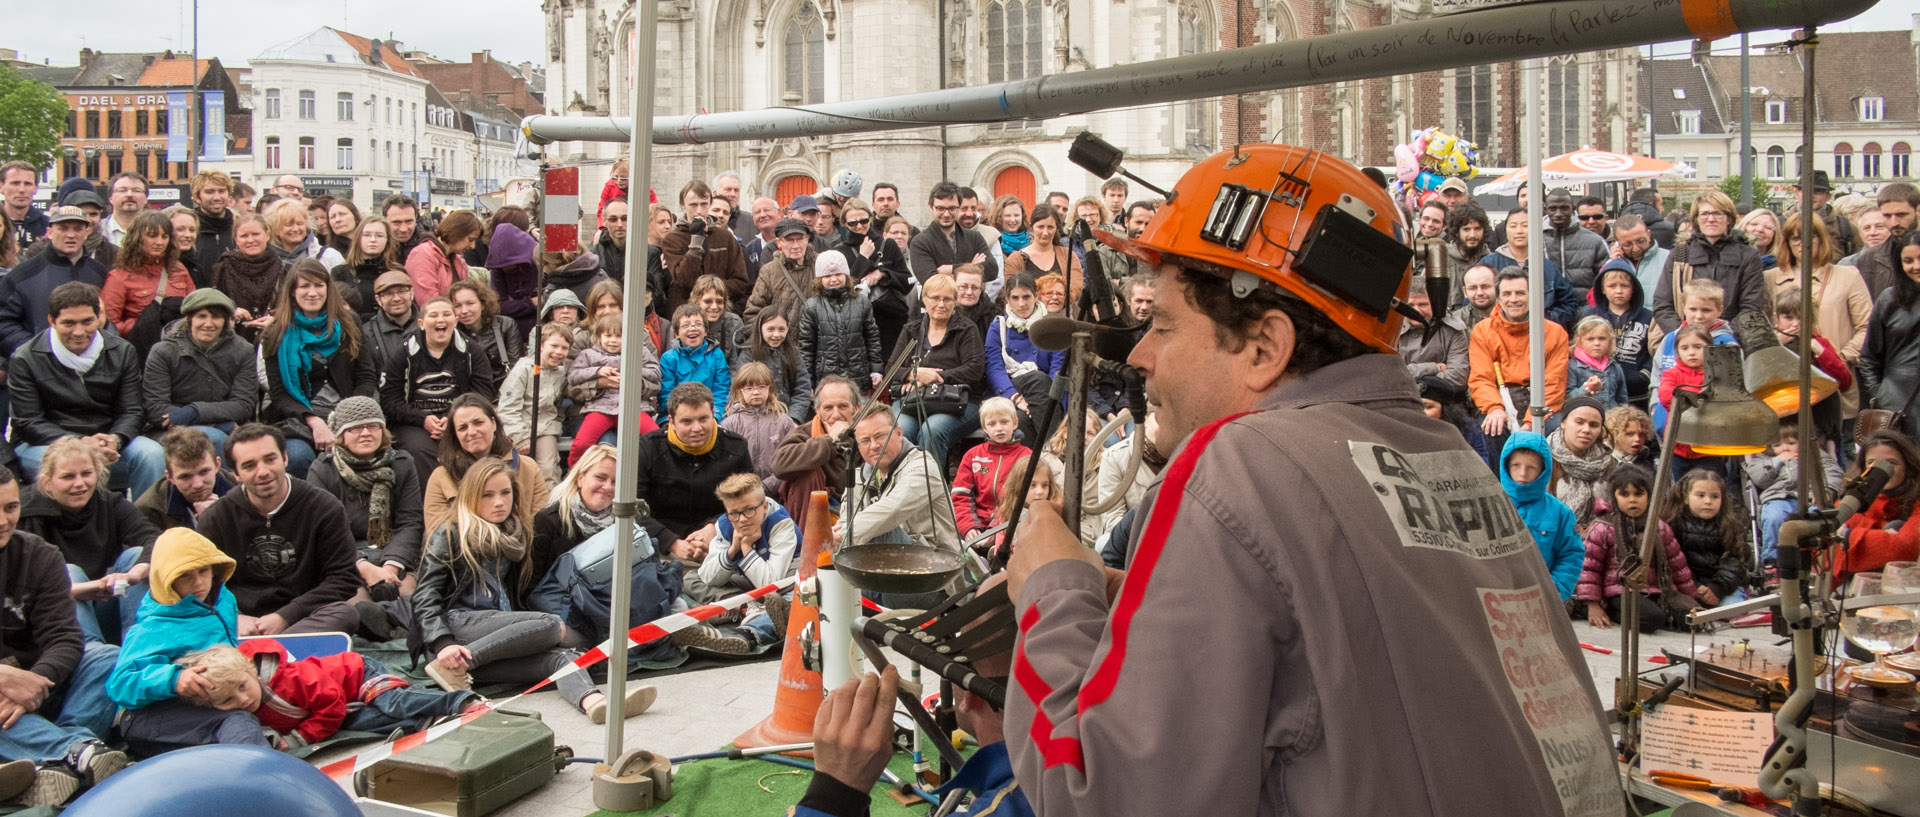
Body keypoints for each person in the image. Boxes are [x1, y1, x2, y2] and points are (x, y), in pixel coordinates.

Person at [1002, 144, 1621, 817]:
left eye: (1165, 324)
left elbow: (1106, 797)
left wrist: (1050, 591)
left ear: (1266, 347)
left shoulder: (1234, 467)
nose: (1143, 353)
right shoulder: (1452, 458)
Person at [411, 457, 658, 723]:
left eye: (505, 493)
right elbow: (425, 596)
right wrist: (442, 644)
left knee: (562, 657)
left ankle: (596, 703)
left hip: (493, 639)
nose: (499, 502)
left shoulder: (518, 533)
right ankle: (457, 666)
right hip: (455, 629)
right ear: (471, 497)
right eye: (487, 495)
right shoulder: (451, 533)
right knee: (550, 625)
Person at [0, 466, 128, 807]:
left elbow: (65, 639)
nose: (2, 520)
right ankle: (73, 752)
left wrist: (36, 682)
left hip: (41, 691)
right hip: (4, 703)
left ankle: (59, 760)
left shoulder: (39, 555)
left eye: (10, 508)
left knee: (108, 658)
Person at [109, 527, 274, 756]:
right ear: (166, 581)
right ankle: (255, 779)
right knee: (237, 720)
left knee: (275, 692)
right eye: (185, 575)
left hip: (210, 701)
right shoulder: (152, 627)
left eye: (203, 571)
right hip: (148, 716)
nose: (198, 583)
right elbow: (119, 685)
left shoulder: (223, 600)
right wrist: (173, 679)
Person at [196, 424, 361, 636]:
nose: (263, 471)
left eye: (270, 459)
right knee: (197, 619)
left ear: (285, 458)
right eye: (249, 465)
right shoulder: (216, 517)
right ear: (235, 474)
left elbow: (344, 578)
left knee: (345, 613)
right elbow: (202, 584)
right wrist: (232, 616)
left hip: (303, 616)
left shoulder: (324, 507)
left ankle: (269, 648)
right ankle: (277, 649)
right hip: (242, 621)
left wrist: (287, 616)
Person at [176, 641, 479, 750]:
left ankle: (460, 701)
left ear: (250, 672)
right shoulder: (243, 712)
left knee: (391, 700)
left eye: (242, 687)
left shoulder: (290, 680)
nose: (242, 700)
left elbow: (331, 702)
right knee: (361, 724)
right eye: (228, 700)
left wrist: (300, 738)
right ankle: (426, 719)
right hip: (337, 706)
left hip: (358, 675)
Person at [9, 282, 146, 491]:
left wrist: (115, 439)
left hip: (106, 439)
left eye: (87, 321)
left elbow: (132, 410)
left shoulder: (122, 350)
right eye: (68, 323)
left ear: (99, 317)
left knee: (151, 454)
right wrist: (80, 443)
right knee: (71, 466)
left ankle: (149, 521)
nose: (79, 332)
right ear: (51, 321)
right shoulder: (25, 358)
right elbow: (28, 422)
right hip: (45, 445)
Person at [19, 438, 157, 644]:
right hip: (56, 613)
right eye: (68, 477)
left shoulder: (109, 502)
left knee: (137, 555)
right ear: (47, 482)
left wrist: (135, 573)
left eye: (86, 473)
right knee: (67, 570)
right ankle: (90, 655)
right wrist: (74, 589)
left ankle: (139, 645)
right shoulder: (26, 512)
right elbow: (25, 583)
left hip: (102, 599)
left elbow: (154, 538)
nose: (80, 483)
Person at [260, 260, 378, 478]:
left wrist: (347, 416)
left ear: (328, 288)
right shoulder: (275, 333)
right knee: (297, 456)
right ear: (293, 292)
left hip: (349, 413)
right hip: (298, 420)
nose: (312, 293)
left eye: (318, 285)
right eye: (304, 286)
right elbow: (279, 395)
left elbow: (366, 376)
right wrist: (314, 422)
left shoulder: (349, 322)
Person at [306, 397, 426, 604]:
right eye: (355, 428)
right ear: (342, 433)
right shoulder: (323, 470)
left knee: (408, 597)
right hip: (346, 557)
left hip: (393, 552)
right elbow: (324, 533)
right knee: (357, 604)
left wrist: (391, 566)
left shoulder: (402, 464)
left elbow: (410, 522)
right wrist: (363, 567)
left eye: (373, 426)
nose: (366, 433)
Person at [1768, 215, 1873, 447]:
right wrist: (1780, 340)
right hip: (1785, 389)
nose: (1802, 243)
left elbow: (1867, 327)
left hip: (1833, 384)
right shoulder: (1770, 279)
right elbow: (1760, 332)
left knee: (1836, 451)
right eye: (1795, 238)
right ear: (1786, 242)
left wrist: (1841, 357)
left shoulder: (1847, 275)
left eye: (1810, 236)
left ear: (1821, 238)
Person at [838, 408, 961, 600]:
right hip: (883, 577)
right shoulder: (858, 476)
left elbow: (892, 510)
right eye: (865, 440)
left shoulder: (923, 467)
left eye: (880, 436)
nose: (874, 446)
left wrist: (838, 538)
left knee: (880, 530)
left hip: (936, 580)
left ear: (899, 433)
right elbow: (845, 521)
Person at [630, 383, 755, 556]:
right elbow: (632, 509)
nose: (696, 428)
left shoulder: (736, 448)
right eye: (687, 421)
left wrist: (718, 527)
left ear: (713, 415)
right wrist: (672, 543)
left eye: (703, 419)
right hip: (658, 543)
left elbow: (750, 501)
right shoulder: (648, 448)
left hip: (722, 539)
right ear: (671, 422)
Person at [380, 297, 495, 469]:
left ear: (455, 321)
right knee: (418, 450)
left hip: (461, 418)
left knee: (473, 445)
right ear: (421, 323)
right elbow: (389, 400)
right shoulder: (403, 353)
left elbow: (483, 394)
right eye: (433, 315)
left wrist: (453, 419)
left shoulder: (472, 351)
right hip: (415, 421)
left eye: (447, 314)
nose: (440, 320)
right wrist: (423, 419)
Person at [1576, 466, 1694, 632]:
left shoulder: (1659, 527)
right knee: (1653, 619)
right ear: (1613, 497)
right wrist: (1592, 604)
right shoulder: (1603, 527)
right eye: (1624, 494)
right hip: (1619, 591)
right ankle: (1611, 611)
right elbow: (1589, 569)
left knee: (1692, 620)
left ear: (1648, 497)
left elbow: (1678, 565)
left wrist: (1691, 598)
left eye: (1638, 494)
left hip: (1657, 590)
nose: (1632, 500)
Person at [421, 395, 550, 542]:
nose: (472, 432)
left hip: (521, 555)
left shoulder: (528, 467)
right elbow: (438, 538)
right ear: (455, 435)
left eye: (478, 423)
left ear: (493, 423)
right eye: (462, 428)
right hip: (464, 559)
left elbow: (540, 528)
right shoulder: (441, 476)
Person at [1468, 268, 1569, 451]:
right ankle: (1499, 480)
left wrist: (1531, 423)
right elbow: (1481, 378)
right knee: (1493, 429)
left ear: (1533, 295)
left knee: (1556, 431)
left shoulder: (1555, 333)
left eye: (1520, 293)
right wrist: (1495, 408)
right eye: (1507, 293)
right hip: (1502, 400)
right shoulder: (1483, 331)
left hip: (1541, 404)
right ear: (1498, 298)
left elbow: (1554, 382)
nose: (1513, 299)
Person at [893, 273, 985, 470]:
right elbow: (892, 368)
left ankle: (933, 493)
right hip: (915, 399)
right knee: (900, 430)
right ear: (924, 299)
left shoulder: (966, 329)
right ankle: (902, 488)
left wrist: (936, 377)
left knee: (931, 431)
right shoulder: (912, 330)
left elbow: (975, 369)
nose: (941, 304)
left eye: (947, 299)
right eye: (935, 298)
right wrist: (914, 374)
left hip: (961, 402)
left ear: (955, 301)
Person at [0, 208, 111, 363]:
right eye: (63, 228)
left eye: (78, 229)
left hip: (92, 368)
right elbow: (4, 321)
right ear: (49, 232)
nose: (71, 235)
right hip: (39, 368)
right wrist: (34, 349)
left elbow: (110, 320)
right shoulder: (22, 275)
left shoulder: (100, 273)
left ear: (86, 233)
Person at [1651, 191, 1769, 333]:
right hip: (1686, 343)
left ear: (1729, 219)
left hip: (1730, 341)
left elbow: (1751, 307)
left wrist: (1722, 335)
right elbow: (1662, 303)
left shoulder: (1748, 255)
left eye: (1717, 213)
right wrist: (1687, 335)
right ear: (1696, 219)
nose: (1711, 219)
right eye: (1705, 214)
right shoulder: (1681, 253)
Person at [1745, 420, 1841, 568]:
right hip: (1778, 498)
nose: (1784, 449)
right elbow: (1758, 479)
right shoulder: (1764, 459)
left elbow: (1832, 472)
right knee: (1773, 517)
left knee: (1817, 518)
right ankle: (1772, 561)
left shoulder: (1814, 454)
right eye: (1777, 445)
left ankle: (1815, 559)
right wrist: (1777, 461)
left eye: (1790, 443)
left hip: (1809, 498)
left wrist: (1826, 490)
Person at [694, 472, 799, 606]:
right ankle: (741, 604)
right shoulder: (724, 524)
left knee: (798, 578)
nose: (742, 519)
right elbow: (708, 577)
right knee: (692, 578)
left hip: (783, 580)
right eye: (734, 513)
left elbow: (770, 584)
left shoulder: (780, 522)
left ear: (765, 506)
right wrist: (733, 550)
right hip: (747, 579)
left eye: (749, 510)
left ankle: (742, 606)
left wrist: (746, 547)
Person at [772, 376, 860, 534]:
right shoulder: (805, 432)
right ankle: (809, 549)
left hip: (858, 512)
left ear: (856, 408)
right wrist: (830, 441)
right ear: (818, 411)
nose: (836, 414)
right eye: (828, 408)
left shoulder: (866, 433)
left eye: (843, 406)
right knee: (808, 474)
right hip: (813, 518)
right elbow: (779, 465)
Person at [986, 273, 1066, 445]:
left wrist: (1042, 399)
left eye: (1026, 297)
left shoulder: (1053, 326)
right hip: (1012, 389)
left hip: (1046, 393)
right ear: (1007, 299)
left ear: (1035, 296)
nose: (1021, 304)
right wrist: (1015, 397)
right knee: (1036, 379)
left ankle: (1033, 466)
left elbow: (1058, 367)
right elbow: (994, 368)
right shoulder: (998, 327)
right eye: (1015, 298)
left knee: (1022, 420)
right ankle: (1053, 452)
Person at [569, 314, 660, 466]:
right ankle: (574, 473)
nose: (613, 340)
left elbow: (656, 373)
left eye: (619, 336)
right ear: (599, 336)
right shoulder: (589, 354)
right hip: (600, 408)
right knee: (582, 443)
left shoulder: (639, 351)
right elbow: (573, 375)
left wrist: (632, 370)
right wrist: (597, 371)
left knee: (656, 438)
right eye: (608, 335)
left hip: (633, 408)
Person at [1650, 282, 1738, 434]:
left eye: (1706, 310)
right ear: (1683, 307)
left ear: (1719, 310)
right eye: (1693, 309)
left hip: (1708, 428)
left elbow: (1732, 388)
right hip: (1668, 425)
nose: (1698, 316)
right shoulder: (1671, 339)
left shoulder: (1725, 343)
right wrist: (1655, 408)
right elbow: (1657, 377)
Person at [1832, 431, 1920, 579]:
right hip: (1852, 582)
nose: (1881, 470)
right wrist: (1884, 537)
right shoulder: (1853, 496)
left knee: (1896, 524)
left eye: (1891, 463)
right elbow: (1830, 547)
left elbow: (1904, 548)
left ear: (1907, 465)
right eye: (1871, 463)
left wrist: (1847, 535)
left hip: (1904, 584)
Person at [1860, 233, 1920, 441]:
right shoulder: (1890, 299)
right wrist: (1879, 395)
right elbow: (1869, 355)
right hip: (1897, 400)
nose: (1916, 266)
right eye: (1908, 261)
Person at [659, 182, 750, 316]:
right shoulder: (672, 239)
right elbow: (684, 279)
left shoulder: (725, 237)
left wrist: (712, 292)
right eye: (693, 205)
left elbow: (740, 282)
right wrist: (696, 241)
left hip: (718, 313)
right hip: (684, 315)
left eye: (704, 204)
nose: (699, 210)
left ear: (710, 204)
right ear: (682, 205)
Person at [799, 250, 883, 395]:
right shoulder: (812, 306)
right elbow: (806, 347)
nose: (833, 279)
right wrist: (808, 382)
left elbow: (872, 338)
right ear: (819, 279)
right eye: (827, 276)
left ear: (846, 275)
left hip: (858, 377)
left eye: (838, 274)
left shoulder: (861, 302)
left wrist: (876, 370)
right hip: (826, 379)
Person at [102, 211, 195, 338]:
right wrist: (144, 325)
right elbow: (109, 325)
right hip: (141, 349)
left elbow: (195, 308)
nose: (159, 242)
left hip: (178, 345)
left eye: (164, 236)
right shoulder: (119, 276)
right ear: (137, 238)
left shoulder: (178, 269)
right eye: (152, 236)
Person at [499, 324, 573, 484]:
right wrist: (518, 437)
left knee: (548, 469)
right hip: (518, 428)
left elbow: (558, 405)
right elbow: (508, 408)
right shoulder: (523, 370)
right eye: (554, 346)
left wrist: (556, 423)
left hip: (546, 428)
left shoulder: (561, 373)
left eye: (564, 348)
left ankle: (549, 506)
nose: (558, 352)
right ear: (541, 345)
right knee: (516, 472)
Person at [1664, 469, 1749, 607]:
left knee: (1731, 611)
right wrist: (1695, 587)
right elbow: (1675, 563)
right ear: (1686, 497)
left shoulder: (1730, 523)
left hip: (1724, 584)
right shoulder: (1674, 523)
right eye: (1701, 495)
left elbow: (1736, 562)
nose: (1708, 501)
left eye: (1715, 497)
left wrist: (1717, 588)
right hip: (1688, 584)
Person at [1484, 209, 1580, 328]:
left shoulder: (1547, 266)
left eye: (1525, 226)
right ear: (1505, 231)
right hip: (1497, 334)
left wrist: (1544, 320)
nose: (1519, 231)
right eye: (1513, 226)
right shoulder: (1488, 264)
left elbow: (1568, 303)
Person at [951, 397, 1031, 537]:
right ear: (984, 428)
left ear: (1015, 423)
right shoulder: (973, 455)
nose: (999, 428)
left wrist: (995, 530)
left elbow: (1020, 500)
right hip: (976, 524)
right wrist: (968, 526)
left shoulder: (1026, 456)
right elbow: (961, 495)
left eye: (1004, 422)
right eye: (992, 424)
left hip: (1009, 524)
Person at [1581, 258, 1653, 407]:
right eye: (1612, 286)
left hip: (1637, 394)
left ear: (1633, 288)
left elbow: (1653, 351)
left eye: (1624, 286)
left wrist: (1644, 374)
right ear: (1602, 288)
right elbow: (1579, 349)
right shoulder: (1590, 316)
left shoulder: (1648, 317)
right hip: (1599, 391)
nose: (1618, 291)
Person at [133, 427, 234, 533]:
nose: (197, 484)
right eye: (185, 477)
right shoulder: (149, 509)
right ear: (170, 477)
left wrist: (222, 519)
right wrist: (205, 525)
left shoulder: (242, 490)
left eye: (204, 472)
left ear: (217, 465)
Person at [208, 213, 286, 343]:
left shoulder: (284, 268)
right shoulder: (223, 268)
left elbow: (292, 308)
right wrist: (231, 311)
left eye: (255, 234)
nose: (250, 240)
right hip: (233, 342)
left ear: (267, 235)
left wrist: (276, 319)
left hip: (273, 341)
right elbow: (212, 306)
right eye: (244, 236)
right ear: (236, 240)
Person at [722, 362, 798, 495]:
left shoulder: (784, 422)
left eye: (761, 387)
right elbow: (724, 465)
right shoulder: (729, 424)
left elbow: (791, 462)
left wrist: (766, 487)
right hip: (741, 493)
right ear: (740, 391)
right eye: (749, 388)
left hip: (778, 492)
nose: (756, 392)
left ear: (770, 389)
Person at [909, 182, 998, 286]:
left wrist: (952, 269)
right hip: (940, 302)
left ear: (959, 207)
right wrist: (972, 267)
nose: (946, 214)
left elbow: (992, 270)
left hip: (974, 301)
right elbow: (932, 282)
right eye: (941, 208)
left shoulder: (974, 237)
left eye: (951, 208)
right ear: (931, 208)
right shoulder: (920, 242)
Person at [1546, 396, 1614, 529]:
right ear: (1563, 422)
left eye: (1594, 425)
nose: (1586, 430)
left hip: (1600, 539)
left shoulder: (1608, 462)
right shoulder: (1544, 457)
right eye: (1579, 422)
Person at [660, 304, 732, 422]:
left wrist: (716, 416)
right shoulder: (669, 358)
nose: (693, 328)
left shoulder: (717, 355)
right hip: (677, 416)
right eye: (686, 325)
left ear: (706, 331)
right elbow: (666, 394)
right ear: (676, 333)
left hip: (710, 414)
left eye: (698, 324)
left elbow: (722, 390)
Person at [744, 217, 817, 330]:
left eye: (800, 239)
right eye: (790, 240)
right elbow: (753, 312)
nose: (796, 246)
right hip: (782, 343)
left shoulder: (821, 264)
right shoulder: (769, 271)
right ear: (779, 242)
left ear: (807, 239)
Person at [1395, 284, 1468, 395]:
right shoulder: (1392, 329)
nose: (1417, 311)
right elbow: (1389, 375)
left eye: (1423, 304)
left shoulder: (1453, 329)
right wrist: (1434, 367)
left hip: (1442, 400)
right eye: (1410, 305)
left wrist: (1413, 382)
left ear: (1434, 304)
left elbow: (1457, 377)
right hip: (1401, 398)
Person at [741, 310, 811, 424]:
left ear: (788, 328)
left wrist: (794, 419)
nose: (776, 334)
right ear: (760, 327)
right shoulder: (749, 354)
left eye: (781, 329)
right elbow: (741, 390)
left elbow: (802, 389)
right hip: (757, 421)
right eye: (770, 329)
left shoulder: (793, 353)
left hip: (789, 417)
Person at [1539, 189, 1610, 301]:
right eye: (1553, 208)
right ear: (1545, 208)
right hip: (1545, 312)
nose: (1558, 213)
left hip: (1586, 311)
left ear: (1573, 209)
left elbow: (1607, 281)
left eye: (1564, 208)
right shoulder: (1534, 239)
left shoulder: (1595, 241)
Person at [404, 210, 479, 302]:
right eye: (470, 239)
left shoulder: (457, 260)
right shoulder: (422, 254)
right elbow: (429, 302)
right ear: (456, 232)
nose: (473, 246)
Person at [332, 217, 397, 321]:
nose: (373, 240)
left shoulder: (396, 272)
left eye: (379, 235)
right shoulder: (340, 272)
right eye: (367, 235)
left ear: (387, 240)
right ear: (358, 238)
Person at [484, 222, 541, 336]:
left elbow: (547, 301)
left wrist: (514, 303)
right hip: (512, 332)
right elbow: (497, 307)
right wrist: (531, 302)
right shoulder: (498, 269)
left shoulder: (538, 262)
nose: (505, 268)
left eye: (510, 264)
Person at [261, 200, 345, 272]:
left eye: (300, 223)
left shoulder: (329, 256)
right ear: (276, 229)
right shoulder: (265, 260)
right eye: (289, 224)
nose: (295, 229)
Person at [1565, 316, 1627, 410]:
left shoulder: (1615, 367)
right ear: (1579, 341)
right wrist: (1587, 388)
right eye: (1590, 339)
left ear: (1610, 341)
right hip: (1585, 419)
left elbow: (1622, 399)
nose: (1597, 343)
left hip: (1611, 419)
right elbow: (1568, 398)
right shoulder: (1572, 367)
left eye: (1602, 338)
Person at [363, 270, 417, 372]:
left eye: (401, 291)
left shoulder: (429, 325)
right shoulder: (366, 334)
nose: (396, 298)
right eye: (388, 293)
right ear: (378, 299)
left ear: (411, 293)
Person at [1611, 214, 1670, 301]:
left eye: (1640, 241)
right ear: (1618, 244)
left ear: (1649, 234)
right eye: (1628, 245)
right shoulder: (1613, 262)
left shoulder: (1668, 258)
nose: (1636, 249)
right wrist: (1613, 264)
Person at [1, 161, 48, 253]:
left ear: (36, 188)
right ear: (1, 187)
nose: (22, 190)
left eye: (28, 184)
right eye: (15, 183)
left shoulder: (49, 225)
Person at [101, 173, 148, 248]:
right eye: (122, 190)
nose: (129, 195)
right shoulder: (97, 230)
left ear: (146, 198)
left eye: (137, 191)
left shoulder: (158, 231)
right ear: (110, 198)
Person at [1605, 405, 1656, 470]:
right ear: (1614, 434)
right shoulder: (1599, 462)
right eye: (1630, 434)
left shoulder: (1646, 465)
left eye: (1641, 434)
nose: (1637, 439)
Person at [1449, 261, 1498, 327]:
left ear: (1497, 288)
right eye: (1473, 288)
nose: (1479, 293)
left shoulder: (1511, 315)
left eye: (1485, 286)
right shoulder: (1455, 322)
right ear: (1465, 292)